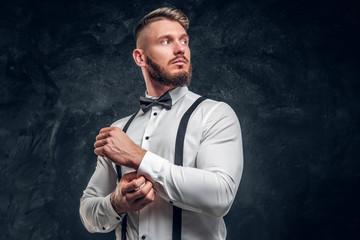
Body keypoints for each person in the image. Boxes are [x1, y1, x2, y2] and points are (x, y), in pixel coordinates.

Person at [79, 7, 243, 240]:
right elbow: (88, 213)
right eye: (166, 41)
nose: (180, 49)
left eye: (184, 41)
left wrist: (139, 157)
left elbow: (221, 196)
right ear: (140, 57)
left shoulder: (215, 114)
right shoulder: (119, 131)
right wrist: (116, 203)